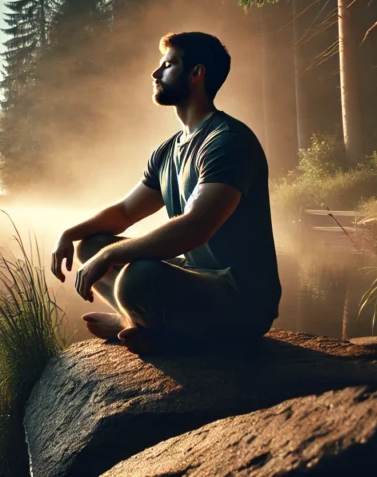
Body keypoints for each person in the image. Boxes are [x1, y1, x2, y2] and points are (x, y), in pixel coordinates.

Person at [50, 31, 281, 355]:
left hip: (240, 301)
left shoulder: (227, 141)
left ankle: (144, 327)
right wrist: (70, 233)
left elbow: (196, 227)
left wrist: (112, 255)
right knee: (91, 245)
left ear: (196, 74)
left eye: (168, 65)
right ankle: (141, 324)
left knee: (137, 276)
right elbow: (126, 213)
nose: (155, 73)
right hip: (196, 279)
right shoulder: (168, 150)